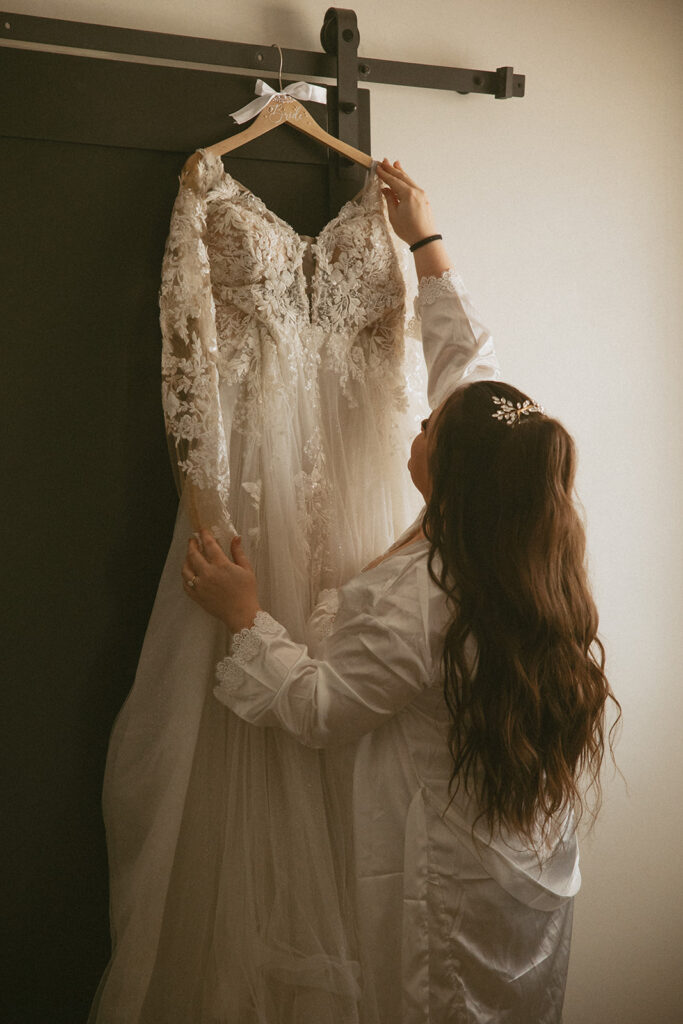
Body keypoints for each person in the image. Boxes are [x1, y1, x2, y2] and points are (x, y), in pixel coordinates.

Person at [181, 159, 619, 1023]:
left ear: (449, 479)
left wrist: (244, 617)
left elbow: (319, 710)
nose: (415, 429)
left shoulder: (425, 595)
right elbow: (470, 372)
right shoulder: (528, 538)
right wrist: (425, 236)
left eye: (425, 432)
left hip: (451, 879)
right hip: (525, 857)